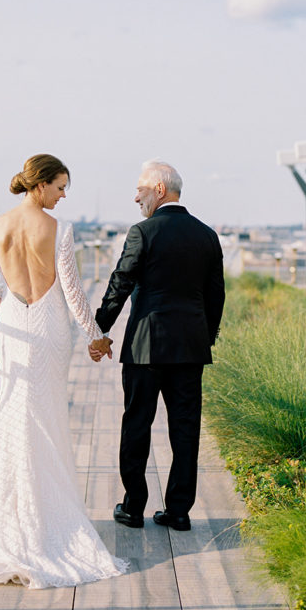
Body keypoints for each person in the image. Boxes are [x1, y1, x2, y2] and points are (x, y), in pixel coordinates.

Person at [0, 154, 125, 588]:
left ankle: (9, 518)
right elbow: (73, 292)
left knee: (13, 413)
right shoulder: (59, 230)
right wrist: (96, 336)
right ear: (40, 185)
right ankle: (45, 518)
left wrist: (12, 307)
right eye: (59, 187)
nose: (62, 196)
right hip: (49, 326)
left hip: (13, 326)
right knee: (46, 417)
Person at [92, 160, 225, 532]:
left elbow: (120, 283)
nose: (136, 197)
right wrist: (203, 337)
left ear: (160, 190)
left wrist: (98, 330)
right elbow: (216, 296)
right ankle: (179, 511)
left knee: (137, 424)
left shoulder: (143, 232)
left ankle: (134, 507)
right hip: (190, 350)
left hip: (145, 347)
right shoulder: (207, 236)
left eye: (140, 189)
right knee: (186, 430)